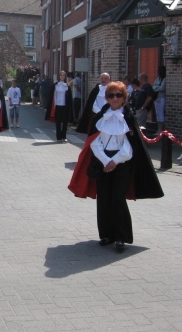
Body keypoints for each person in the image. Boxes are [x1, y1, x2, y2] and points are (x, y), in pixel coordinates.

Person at [68, 81, 164, 252]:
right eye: (111, 95)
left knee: (118, 199)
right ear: (107, 98)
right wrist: (106, 161)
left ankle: (121, 237)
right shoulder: (100, 117)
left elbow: (129, 147)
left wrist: (115, 161)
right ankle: (106, 235)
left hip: (122, 163)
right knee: (104, 198)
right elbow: (94, 143)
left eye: (118, 95)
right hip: (103, 162)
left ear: (124, 98)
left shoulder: (128, 117)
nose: (114, 98)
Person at [45, 70, 72, 142]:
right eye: (61, 75)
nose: (62, 77)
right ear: (59, 76)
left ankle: (64, 136)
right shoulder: (55, 85)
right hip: (57, 105)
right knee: (58, 121)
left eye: (64, 75)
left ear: (65, 77)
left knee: (65, 122)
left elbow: (69, 97)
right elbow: (52, 96)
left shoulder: (67, 85)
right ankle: (59, 137)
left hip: (65, 105)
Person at [152, 66, 167, 133]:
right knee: (157, 114)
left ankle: (161, 130)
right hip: (156, 98)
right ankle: (158, 129)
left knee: (161, 114)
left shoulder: (165, 79)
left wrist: (156, 88)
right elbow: (153, 86)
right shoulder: (158, 79)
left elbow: (162, 88)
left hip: (161, 98)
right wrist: (157, 88)